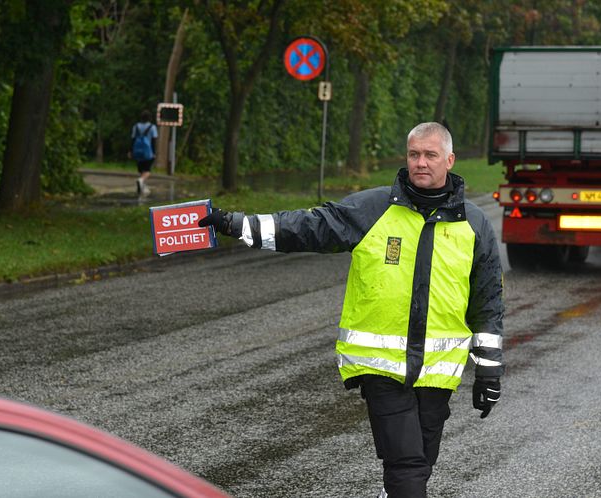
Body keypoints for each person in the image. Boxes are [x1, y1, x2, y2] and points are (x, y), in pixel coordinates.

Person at [199, 122, 504, 498]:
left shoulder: (473, 224)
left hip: (436, 376)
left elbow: (488, 300)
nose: (421, 163)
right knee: (406, 468)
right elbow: (307, 227)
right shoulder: (373, 208)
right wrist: (236, 223)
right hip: (381, 369)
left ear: (450, 160)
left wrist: (489, 371)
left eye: (430, 155)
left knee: (420, 465)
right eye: (414, 154)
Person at [129, 110, 158, 196]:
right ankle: (141, 181)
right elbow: (153, 140)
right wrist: (154, 152)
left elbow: (133, 139)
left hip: (137, 151)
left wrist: (130, 150)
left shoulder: (136, 126)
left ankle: (142, 186)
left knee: (141, 169)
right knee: (147, 170)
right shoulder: (152, 127)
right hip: (148, 152)